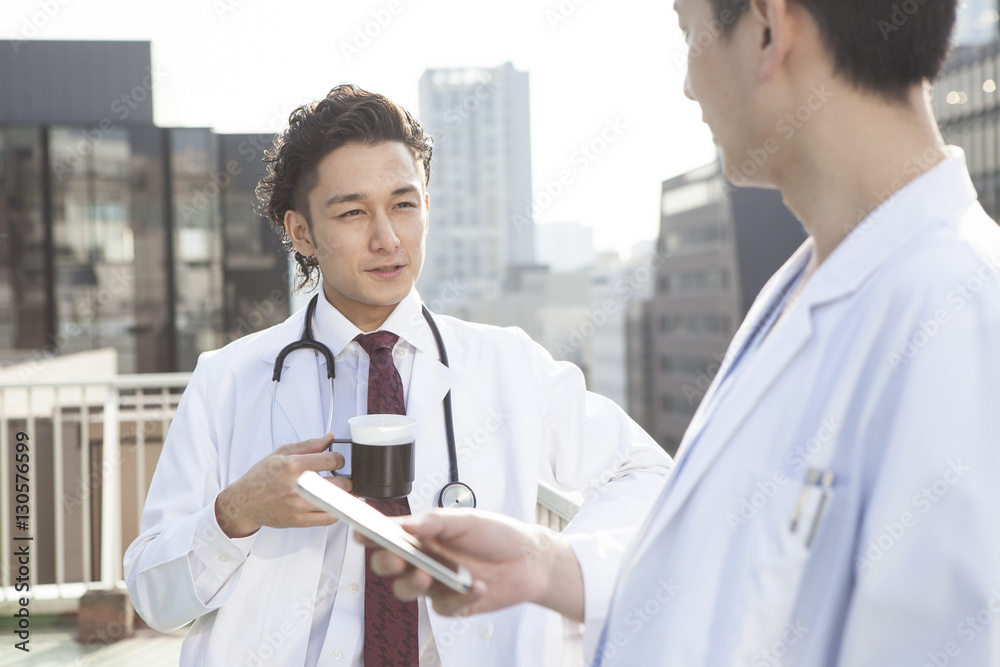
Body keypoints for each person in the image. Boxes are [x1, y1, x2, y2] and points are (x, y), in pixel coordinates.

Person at [369, 0, 1000, 665]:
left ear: (766, 27)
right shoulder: (812, 282)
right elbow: (747, 570)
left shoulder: (960, 321)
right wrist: (552, 566)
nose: (688, 83)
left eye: (686, 32)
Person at [123, 84, 671, 666]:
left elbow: (648, 473)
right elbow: (155, 599)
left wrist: (546, 564)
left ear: (427, 207)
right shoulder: (228, 380)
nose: (387, 238)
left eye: (403, 205)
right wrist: (237, 511)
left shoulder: (506, 364)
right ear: (302, 232)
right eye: (353, 211)